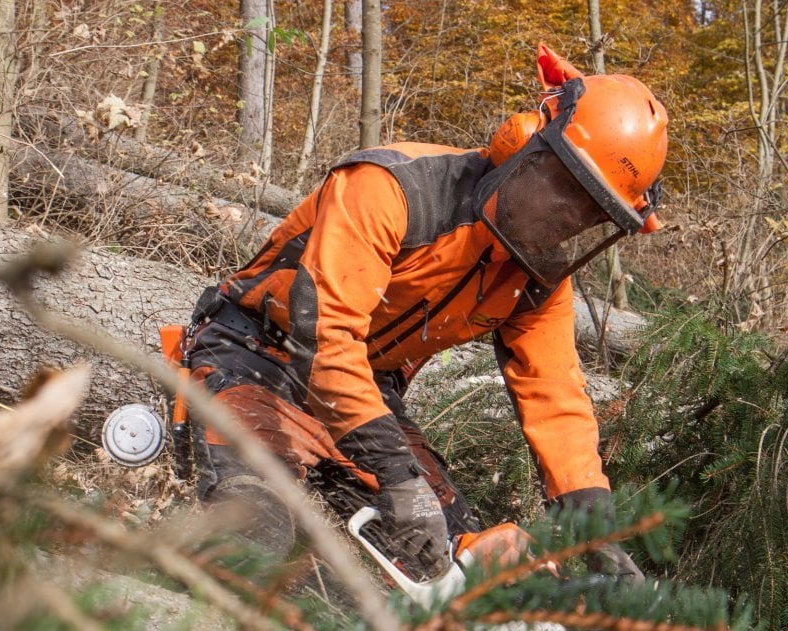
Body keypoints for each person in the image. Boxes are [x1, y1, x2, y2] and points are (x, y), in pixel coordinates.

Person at [179, 44, 664, 586]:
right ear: (524, 142)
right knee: (257, 522)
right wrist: (391, 469)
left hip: (369, 391)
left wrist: (593, 519)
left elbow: (555, 392)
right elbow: (325, 332)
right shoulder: (393, 189)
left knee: (458, 555)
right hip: (260, 353)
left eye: (589, 211)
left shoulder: (538, 277)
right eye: (565, 189)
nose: (566, 218)